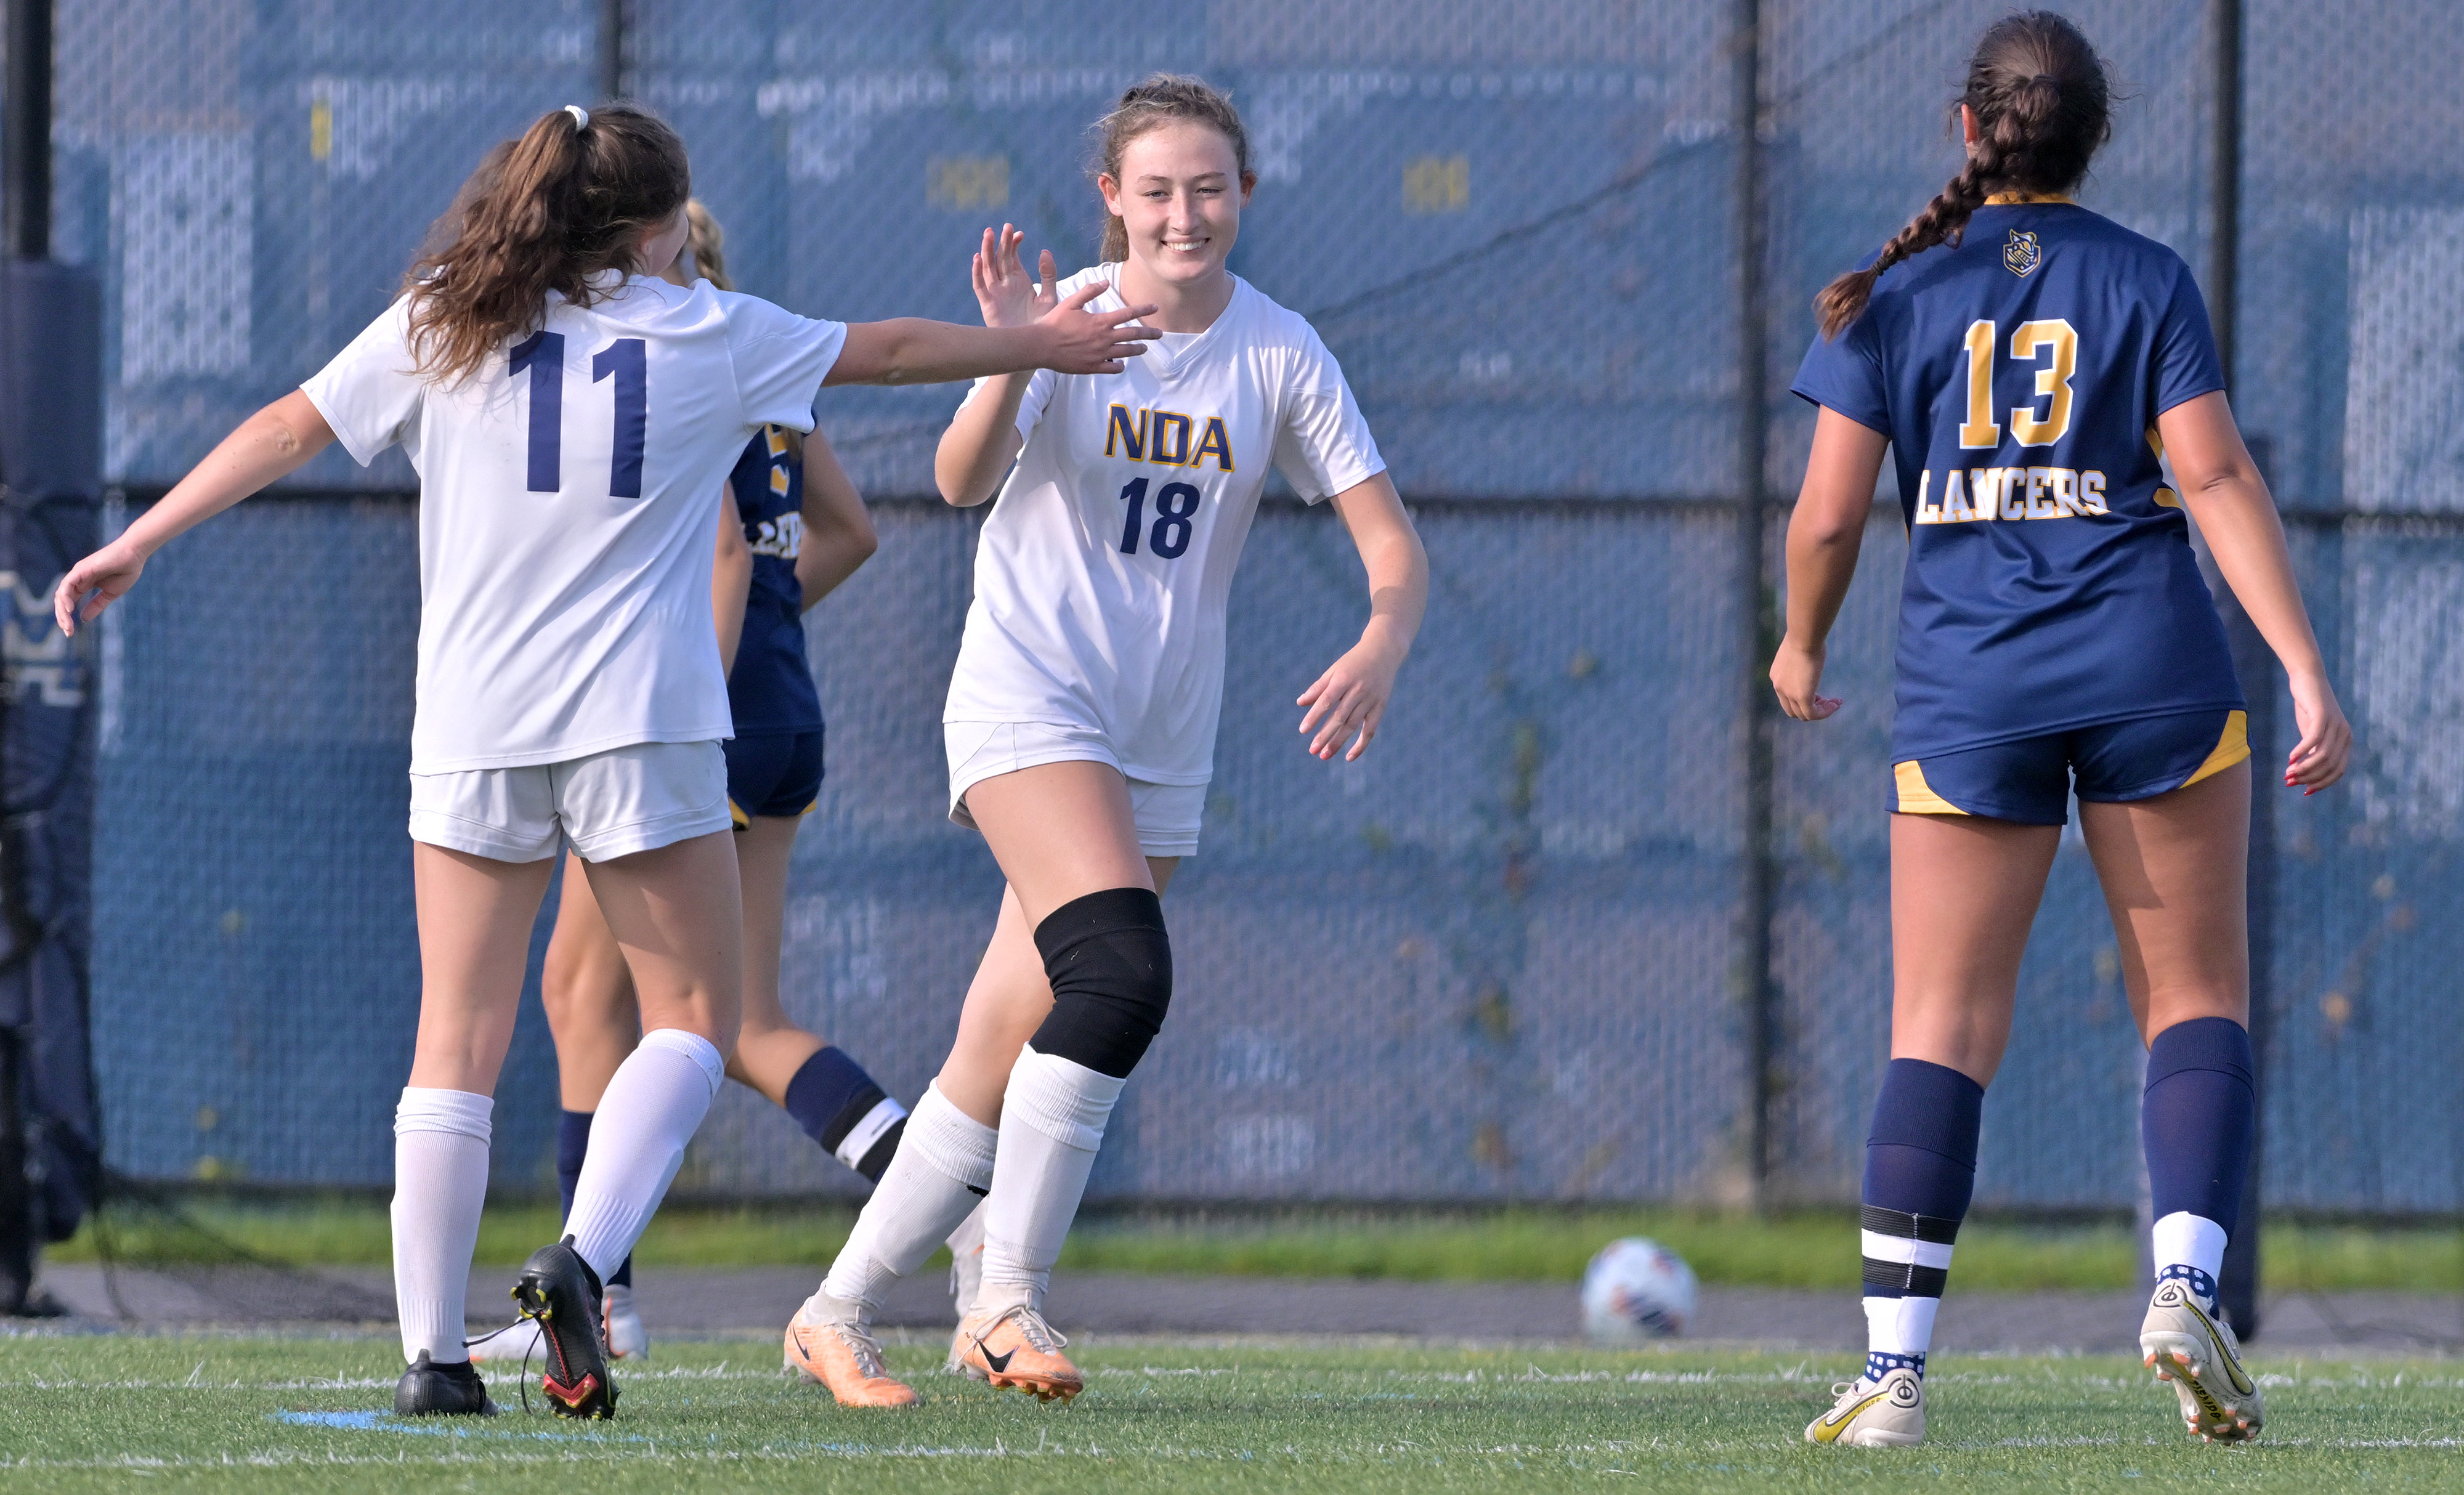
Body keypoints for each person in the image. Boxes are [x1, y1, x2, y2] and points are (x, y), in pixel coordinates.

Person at [53, 102, 1160, 1420]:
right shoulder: (707, 327)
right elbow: (896, 351)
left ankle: (432, 1360)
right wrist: (1042, 338)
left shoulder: (447, 317)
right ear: (658, 225)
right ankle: (583, 1262)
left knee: (453, 1039)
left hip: (472, 723)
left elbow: (289, 426)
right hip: (639, 722)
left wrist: (144, 538)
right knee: (694, 1018)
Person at [781, 74, 1429, 1408]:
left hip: (1157, 738)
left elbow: (1392, 553)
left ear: (1243, 195)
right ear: (1111, 202)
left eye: (1208, 189)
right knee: (1121, 974)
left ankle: (834, 1311)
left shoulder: (1279, 351)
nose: (1182, 215)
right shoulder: (1071, 314)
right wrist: (1012, 349)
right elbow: (959, 484)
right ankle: (1006, 1297)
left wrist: (1378, 639)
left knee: (993, 1048)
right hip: (1030, 698)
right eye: (1156, 191)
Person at [1774, 13, 2349, 1450]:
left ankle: (1894, 1371)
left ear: (1965, 131)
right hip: (2153, 663)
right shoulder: (2143, 274)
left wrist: (1796, 641)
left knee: (1941, 1023)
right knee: (2190, 999)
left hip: (1975, 686)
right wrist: (2300, 666)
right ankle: (2182, 1283)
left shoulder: (1890, 292)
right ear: (2094, 138)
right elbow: (2210, 476)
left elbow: (1830, 514)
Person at [468, 200, 911, 1369]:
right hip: (783, 708)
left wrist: (686, 698)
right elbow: (850, 535)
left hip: (692, 724)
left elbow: (719, 554)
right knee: (729, 1016)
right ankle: (941, 1192)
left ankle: (599, 1296)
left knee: (587, 996)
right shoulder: (763, 380)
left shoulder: (663, 382)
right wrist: (753, 637)